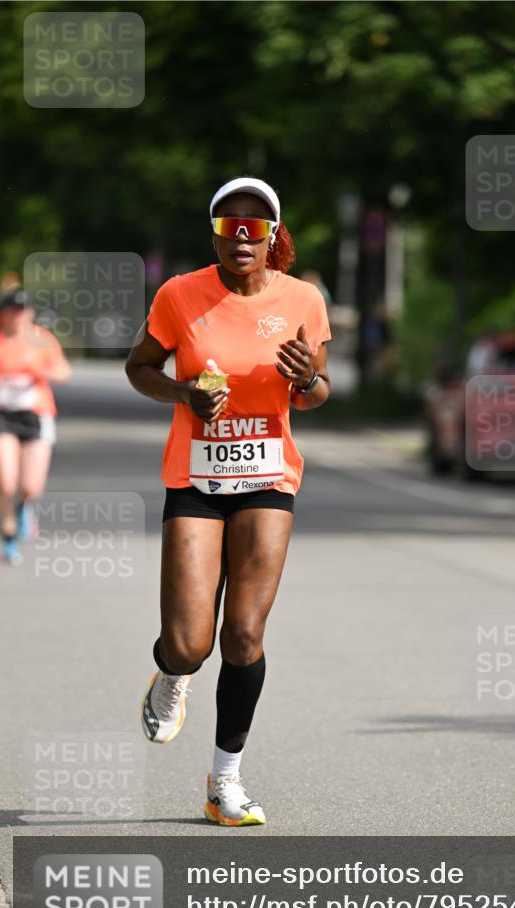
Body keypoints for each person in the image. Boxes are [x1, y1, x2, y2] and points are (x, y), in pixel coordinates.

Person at [125, 177, 332, 826]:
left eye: (255, 224)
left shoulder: (302, 299)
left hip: (269, 477)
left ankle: (224, 783)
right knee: (190, 643)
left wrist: (306, 381)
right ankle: (170, 676)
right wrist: (183, 395)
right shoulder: (179, 294)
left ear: (272, 235)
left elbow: (317, 392)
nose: (241, 235)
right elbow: (140, 368)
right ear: (213, 231)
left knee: (243, 634)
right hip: (196, 478)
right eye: (228, 223)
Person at [0, 288, 71, 565]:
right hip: (2, 415)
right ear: (3, 314)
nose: (19, 316)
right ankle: (9, 537)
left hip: (36, 416)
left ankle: (25, 508)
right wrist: (1, 379)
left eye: (24, 311)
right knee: (5, 480)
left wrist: (42, 372)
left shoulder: (43, 340)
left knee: (31, 487)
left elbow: (64, 373)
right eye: (14, 310)